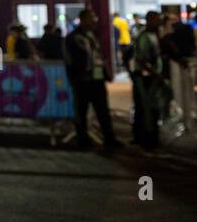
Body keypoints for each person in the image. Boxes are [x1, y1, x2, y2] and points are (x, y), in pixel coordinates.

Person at [64, 8, 118, 151]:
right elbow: (70, 60)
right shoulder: (73, 38)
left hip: (97, 79)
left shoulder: (91, 35)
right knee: (81, 111)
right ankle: (83, 140)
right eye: (91, 18)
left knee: (103, 110)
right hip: (82, 80)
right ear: (82, 19)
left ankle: (109, 139)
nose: (94, 21)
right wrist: (74, 78)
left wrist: (105, 72)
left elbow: (97, 56)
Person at [131, 11, 165, 150]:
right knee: (147, 108)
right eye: (156, 19)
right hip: (145, 78)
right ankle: (147, 139)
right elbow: (141, 59)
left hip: (150, 77)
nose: (159, 22)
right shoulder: (144, 36)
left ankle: (145, 137)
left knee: (148, 107)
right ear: (150, 20)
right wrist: (155, 73)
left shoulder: (154, 35)